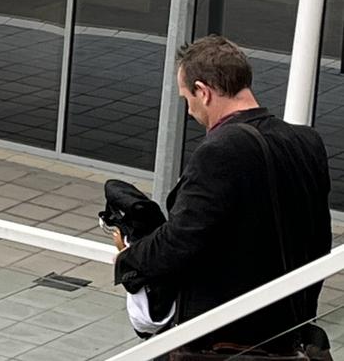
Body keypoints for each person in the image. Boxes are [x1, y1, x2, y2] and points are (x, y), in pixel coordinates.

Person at [114, 35, 332, 356]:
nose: (189, 110)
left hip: (229, 337)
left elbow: (181, 240)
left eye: (187, 97)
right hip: (288, 330)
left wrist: (127, 261)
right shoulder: (307, 141)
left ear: (204, 92)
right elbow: (318, 236)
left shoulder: (219, 150)